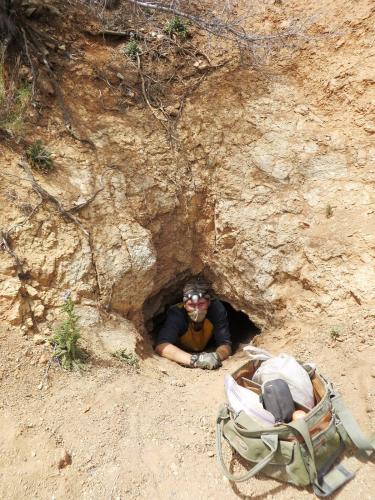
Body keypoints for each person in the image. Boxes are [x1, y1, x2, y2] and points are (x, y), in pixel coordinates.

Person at [155, 278, 232, 369]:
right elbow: (161, 346)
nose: (197, 309)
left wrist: (217, 356)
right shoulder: (177, 314)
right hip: (184, 350)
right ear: (184, 305)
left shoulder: (216, 310)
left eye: (201, 304)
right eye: (191, 305)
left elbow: (225, 344)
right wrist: (196, 361)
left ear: (209, 302)